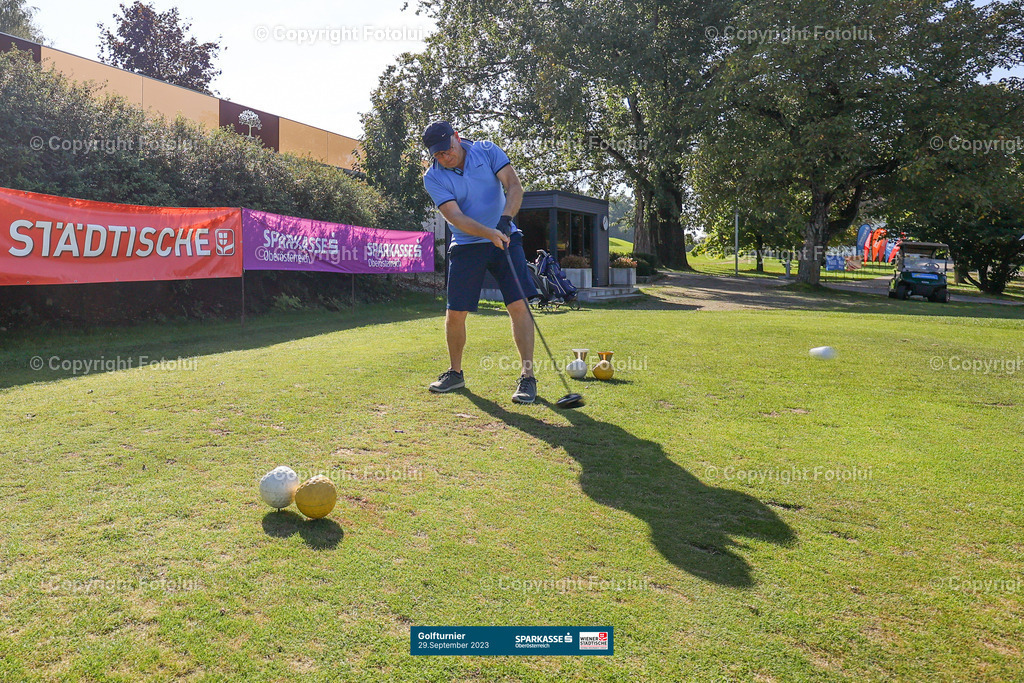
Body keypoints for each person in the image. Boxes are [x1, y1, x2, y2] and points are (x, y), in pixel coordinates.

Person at [421, 120, 539, 404]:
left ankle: (527, 377)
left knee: (518, 305)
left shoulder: (486, 151)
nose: (444, 157)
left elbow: (514, 186)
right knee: (456, 312)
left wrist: (505, 221)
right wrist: (488, 233)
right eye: (437, 154)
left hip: (507, 237)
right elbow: (456, 218)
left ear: (457, 137)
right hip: (466, 244)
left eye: (447, 149)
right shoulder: (433, 177)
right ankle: (455, 372)